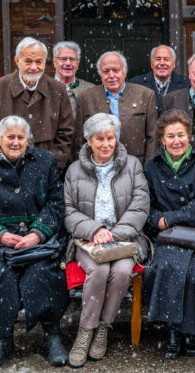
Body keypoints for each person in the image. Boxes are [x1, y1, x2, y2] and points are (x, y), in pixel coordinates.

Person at [0, 115, 70, 370]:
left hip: (39, 244)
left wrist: (37, 233)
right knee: (2, 275)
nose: (16, 142)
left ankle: (52, 334)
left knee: (42, 272)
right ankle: (3, 338)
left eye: (21, 137)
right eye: (10, 136)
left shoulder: (46, 162)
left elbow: (56, 204)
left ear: (28, 139)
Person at [63, 113, 150, 368]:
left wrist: (115, 233)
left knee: (122, 271)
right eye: (99, 139)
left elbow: (140, 205)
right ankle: (85, 331)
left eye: (110, 138)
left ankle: (103, 327)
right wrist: (95, 230)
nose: (105, 144)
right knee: (99, 271)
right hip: (88, 240)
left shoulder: (132, 165)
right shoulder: (74, 170)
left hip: (124, 238)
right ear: (89, 141)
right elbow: (68, 211)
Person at [143, 110, 195, 359]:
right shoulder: (153, 166)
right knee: (167, 267)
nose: (176, 141)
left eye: (181, 135)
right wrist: (158, 221)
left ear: (189, 136)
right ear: (162, 140)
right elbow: (147, 206)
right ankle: (173, 330)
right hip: (166, 236)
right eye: (170, 136)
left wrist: (171, 219)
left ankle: (193, 331)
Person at [0, 37, 74, 170]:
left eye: (39, 61)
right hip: (5, 171)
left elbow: (65, 133)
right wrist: (2, 166)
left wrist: (51, 166)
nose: (34, 67)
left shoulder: (58, 90)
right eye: (28, 61)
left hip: (45, 170)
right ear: (17, 61)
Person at [75, 51, 158, 165]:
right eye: (106, 71)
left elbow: (153, 137)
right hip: (97, 166)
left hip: (135, 165)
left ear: (125, 70)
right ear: (100, 73)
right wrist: (85, 166)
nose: (111, 75)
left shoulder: (145, 95)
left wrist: (148, 167)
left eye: (116, 70)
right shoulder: (85, 98)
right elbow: (79, 139)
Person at [129, 45, 190, 115]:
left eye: (166, 59)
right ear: (152, 64)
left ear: (173, 64)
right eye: (158, 59)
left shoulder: (186, 84)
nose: (162, 63)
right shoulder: (136, 84)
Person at [53, 41, 94, 122]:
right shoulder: (42, 88)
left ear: (78, 63)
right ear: (55, 62)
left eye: (72, 59)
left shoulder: (90, 89)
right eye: (63, 59)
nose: (68, 63)